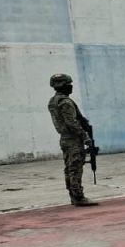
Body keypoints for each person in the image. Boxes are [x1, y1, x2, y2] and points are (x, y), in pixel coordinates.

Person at [47, 73, 98, 207]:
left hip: (64, 139)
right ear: (62, 86)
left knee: (69, 168)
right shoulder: (65, 102)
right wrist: (85, 137)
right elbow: (72, 123)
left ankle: (73, 196)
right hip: (73, 139)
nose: (71, 87)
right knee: (75, 168)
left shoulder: (53, 101)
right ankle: (79, 197)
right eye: (68, 84)